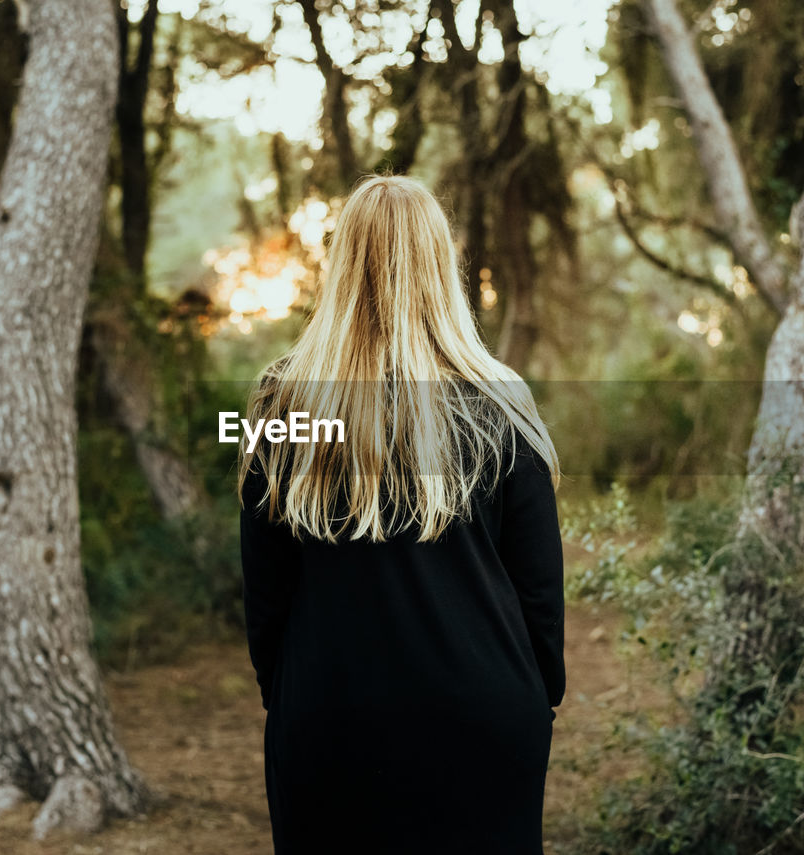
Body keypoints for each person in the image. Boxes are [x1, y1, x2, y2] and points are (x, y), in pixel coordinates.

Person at [238, 175, 565, 854]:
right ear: (440, 266)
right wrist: (530, 688)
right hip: (485, 717)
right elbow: (540, 595)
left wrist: (296, 693)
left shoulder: (284, 407)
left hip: (330, 720)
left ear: (344, 265)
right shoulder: (499, 403)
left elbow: (265, 598)